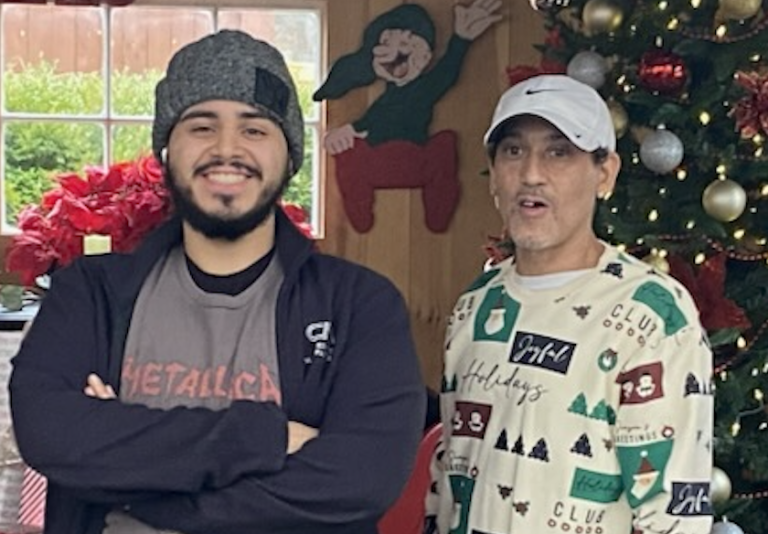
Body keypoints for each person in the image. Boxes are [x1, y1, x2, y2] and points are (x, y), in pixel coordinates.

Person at [9, 30, 425, 534]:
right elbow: (51, 434)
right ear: (167, 149)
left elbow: (362, 479)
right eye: (202, 127)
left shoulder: (359, 304)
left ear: (290, 155)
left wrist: (139, 487)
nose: (227, 149)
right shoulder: (90, 294)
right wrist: (266, 438)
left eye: (255, 130)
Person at [427, 74, 714, 533]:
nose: (531, 174)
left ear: (605, 173)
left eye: (559, 152)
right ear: (494, 174)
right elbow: (448, 477)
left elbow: (673, 513)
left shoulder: (652, 313)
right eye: (513, 151)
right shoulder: (476, 306)